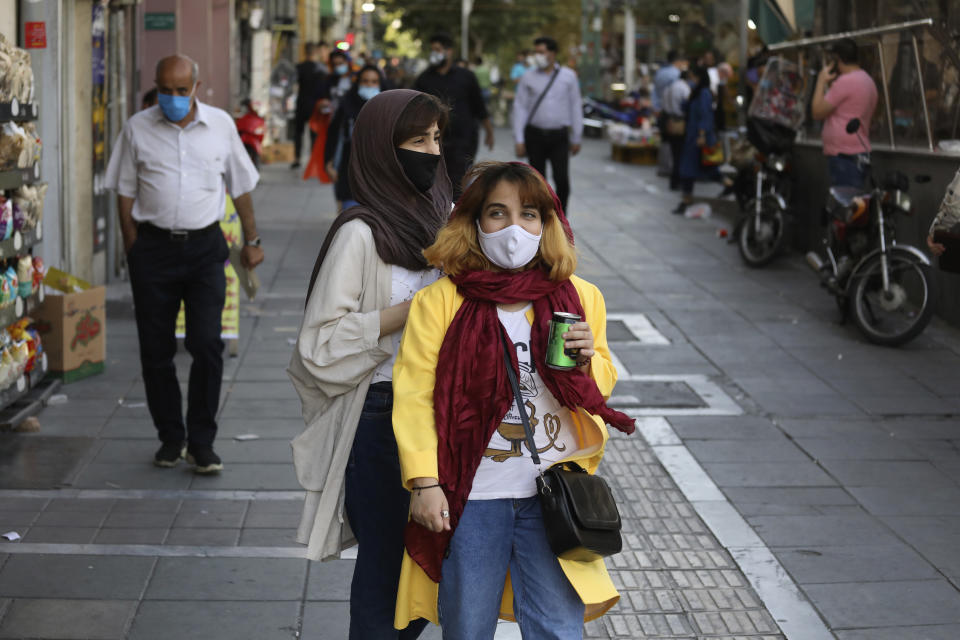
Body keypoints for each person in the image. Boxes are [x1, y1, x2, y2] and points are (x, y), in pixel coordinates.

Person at [391, 161, 635, 638]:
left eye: (528, 214)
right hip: (471, 495)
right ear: (474, 223)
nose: (514, 228)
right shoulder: (440, 302)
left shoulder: (580, 297)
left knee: (558, 629)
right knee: (467, 627)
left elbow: (600, 386)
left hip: (552, 496)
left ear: (547, 224)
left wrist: (587, 362)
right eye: (497, 213)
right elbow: (415, 395)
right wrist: (424, 482)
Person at [288, 89, 451, 640]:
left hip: (447, 418)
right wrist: (409, 314)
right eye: (416, 141)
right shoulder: (360, 234)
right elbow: (319, 344)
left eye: (435, 139)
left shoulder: (445, 219)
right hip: (381, 422)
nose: (431, 152)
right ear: (384, 150)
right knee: (387, 574)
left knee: (437, 570)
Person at [105, 55, 264, 473]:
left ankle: (202, 442)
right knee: (156, 351)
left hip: (205, 249)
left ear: (196, 86)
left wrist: (253, 240)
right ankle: (171, 438)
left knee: (207, 346)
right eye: (165, 90)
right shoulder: (137, 127)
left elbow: (241, 187)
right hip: (153, 250)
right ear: (155, 87)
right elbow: (123, 191)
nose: (172, 98)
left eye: (180, 90)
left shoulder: (220, 127)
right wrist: (132, 247)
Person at [414, 32, 494, 199]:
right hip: (434, 139)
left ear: (449, 51)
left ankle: (457, 217)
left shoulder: (466, 76)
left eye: (438, 49)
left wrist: (489, 131)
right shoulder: (424, 79)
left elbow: (478, 105)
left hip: (463, 139)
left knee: (458, 181)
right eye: (432, 50)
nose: (434, 53)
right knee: (433, 181)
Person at [512, 36, 583, 214]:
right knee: (536, 181)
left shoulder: (568, 76)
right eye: (536, 52)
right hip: (534, 135)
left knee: (562, 180)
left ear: (553, 53)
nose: (538, 56)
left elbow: (575, 105)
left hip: (559, 136)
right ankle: (539, 217)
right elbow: (520, 107)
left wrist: (577, 136)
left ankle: (561, 218)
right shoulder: (528, 77)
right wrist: (519, 139)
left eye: (542, 52)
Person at [811, 37, 878, 188]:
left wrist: (821, 81)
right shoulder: (869, 81)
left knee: (846, 203)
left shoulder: (845, 82)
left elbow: (816, 111)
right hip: (860, 151)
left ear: (838, 59)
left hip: (844, 155)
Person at [324, 64, 386, 210]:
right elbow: (333, 134)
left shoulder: (388, 108)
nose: (369, 85)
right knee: (351, 220)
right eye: (365, 81)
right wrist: (329, 163)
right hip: (350, 174)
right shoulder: (347, 105)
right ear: (358, 82)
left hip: (381, 178)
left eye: (374, 81)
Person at [674, 66, 715, 214]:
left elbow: (705, 115)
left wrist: (702, 135)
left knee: (706, 169)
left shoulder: (704, 93)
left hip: (698, 137)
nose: (690, 80)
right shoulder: (696, 93)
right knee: (692, 170)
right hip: (692, 136)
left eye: (692, 77)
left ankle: (687, 199)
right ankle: (686, 199)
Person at [292, 42, 328, 169]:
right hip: (315, 105)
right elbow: (324, 89)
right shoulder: (321, 69)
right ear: (316, 52)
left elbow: (293, 84)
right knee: (314, 134)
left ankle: (297, 158)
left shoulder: (299, 67)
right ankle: (313, 161)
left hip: (301, 103)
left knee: (298, 132)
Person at [662, 69, 692, 192]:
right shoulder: (684, 88)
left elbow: (664, 105)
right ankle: (677, 180)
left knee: (674, 153)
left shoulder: (669, 88)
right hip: (680, 122)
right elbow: (686, 104)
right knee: (680, 153)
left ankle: (674, 180)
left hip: (670, 121)